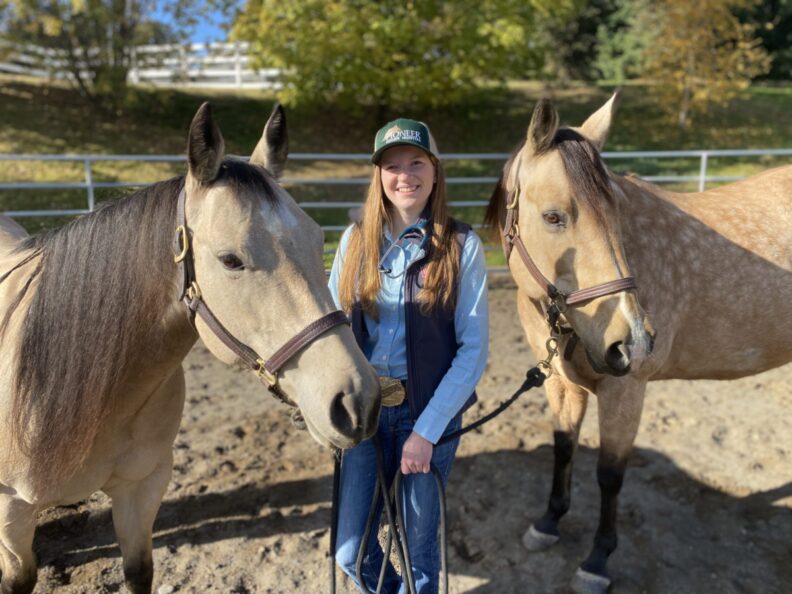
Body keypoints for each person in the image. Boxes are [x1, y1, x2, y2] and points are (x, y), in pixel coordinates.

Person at [330, 118, 489, 594]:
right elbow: (333, 330)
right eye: (392, 165)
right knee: (348, 548)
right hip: (367, 415)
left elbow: (473, 350)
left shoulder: (463, 247)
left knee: (420, 553)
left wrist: (426, 431)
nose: (405, 175)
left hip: (428, 416)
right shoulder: (354, 241)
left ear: (435, 172)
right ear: (379, 176)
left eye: (416, 162)